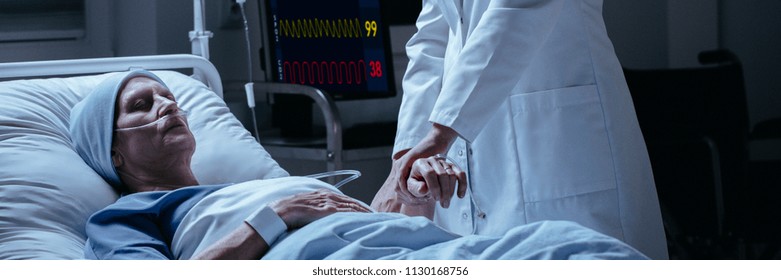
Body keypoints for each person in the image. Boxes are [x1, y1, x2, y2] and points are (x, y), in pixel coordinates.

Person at [69, 70, 647, 260]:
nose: (168, 104)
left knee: (569, 246)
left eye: (167, 95)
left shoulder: (254, 189)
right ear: (112, 153)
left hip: (406, 248)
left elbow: (359, 220)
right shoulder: (130, 215)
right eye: (142, 106)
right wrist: (276, 216)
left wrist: (413, 193)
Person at [370, 0, 668, 259]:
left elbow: (518, 9)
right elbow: (433, 34)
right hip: (469, 135)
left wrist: (441, 133)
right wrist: (407, 155)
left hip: (558, 141)